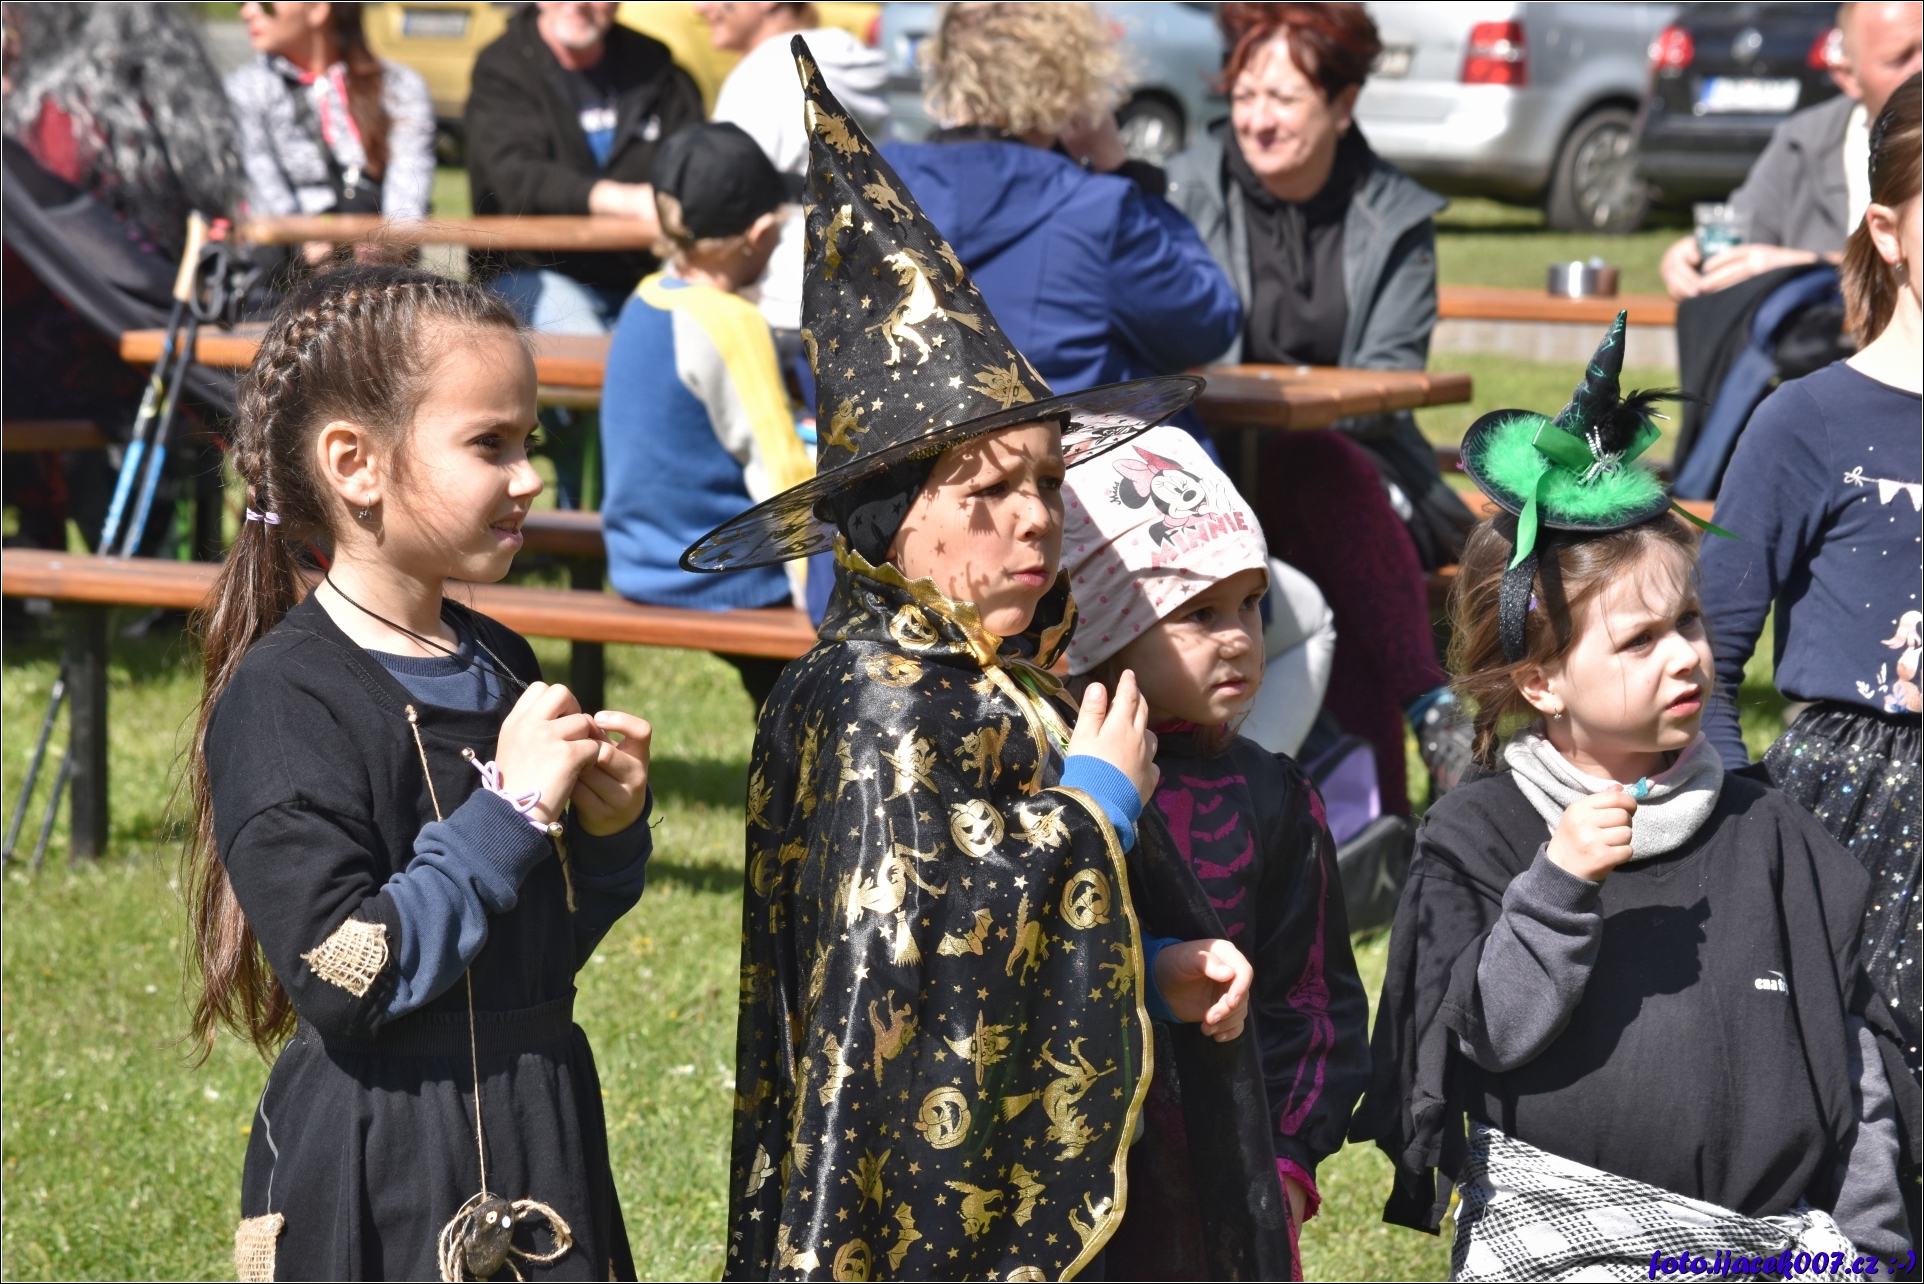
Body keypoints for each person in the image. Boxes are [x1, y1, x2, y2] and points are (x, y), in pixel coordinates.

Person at [697, 42, 1298, 1279]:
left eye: (1046, 483)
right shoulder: (867, 702)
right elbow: (911, 969)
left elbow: (999, 964)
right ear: (891, 520)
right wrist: (1095, 809)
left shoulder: (1003, 678)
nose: (1033, 520)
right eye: (984, 492)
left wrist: (1148, 973)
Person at [1352, 321, 1910, 1278]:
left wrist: (1870, 1243)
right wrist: (1556, 888)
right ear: (1540, 682)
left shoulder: (1770, 830)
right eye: (1639, 640)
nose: (1685, 656)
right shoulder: (1483, 835)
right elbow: (1482, 1036)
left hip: (1769, 1251)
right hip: (1559, 1241)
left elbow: (1853, 1059)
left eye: (1688, 621)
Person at [185, 266, 656, 1280]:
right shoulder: (283, 699)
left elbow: (538, 944)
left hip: (539, 1117)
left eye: (529, 442)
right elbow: (343, 976)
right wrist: (508, 811)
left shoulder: (501, 662)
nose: (528, 477)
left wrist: (608, 835)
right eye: (490, 444)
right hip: (380, 1156)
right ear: (355, 463)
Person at [1059, 426, 1371, 1273]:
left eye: (1250, 604)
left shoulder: (1274, 797)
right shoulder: (1051, 785)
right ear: (1103, 623)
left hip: (1228, 1181)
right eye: (1198, 612)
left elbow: (1314, 998)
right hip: (1074, 1187)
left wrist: (1291, 1158)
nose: (1238, 637)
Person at [1165, 1, 1475, 812]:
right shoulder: (1182, 191)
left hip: (1360, 471)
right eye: (1244, 97)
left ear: (1342, 105)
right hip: (1213, 473)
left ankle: (1377, 822)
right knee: (1320, 511)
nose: (1257, 120)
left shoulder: (1397, 214)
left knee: (1320, 469)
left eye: (1282, 98)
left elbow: (1388, 376)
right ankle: (1426, 727)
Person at [1699, 77, 1921, 1098]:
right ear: (1888, 230)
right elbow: (1704, 661)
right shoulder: (1808, 422)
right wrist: (1739, 839)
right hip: (1857, 826)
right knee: (1862, 1132)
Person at [598, 121, 812, 709]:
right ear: (760, 233)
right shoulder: (731, 322)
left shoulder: (647, 295)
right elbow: (780, 470)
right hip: (718, 577)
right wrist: (820, 594)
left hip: (640, 559)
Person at [466, 1, 703, 334]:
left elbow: (694, 165)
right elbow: (514, 174)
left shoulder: (655, 67)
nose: (578, 4)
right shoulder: (503, 66)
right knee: (589, 345)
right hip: (534, 270)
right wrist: (622, 199)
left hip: (647, 271)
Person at [1660, 1, 1921, 301]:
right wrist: (1689, 257)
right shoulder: (1805, 139)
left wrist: (1806, 269)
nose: (1920, 68)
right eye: (1899, 59)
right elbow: (1743, 236)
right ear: (1848, 76)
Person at [697, 0, 888, 338]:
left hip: (780, 310)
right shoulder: (843, 62)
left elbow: (710, 203)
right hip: (866, 299)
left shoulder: (765, 74)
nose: (700, 8)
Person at [226, 2, 436, 232]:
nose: (247, 12)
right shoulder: (243, 90)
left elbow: (409, 184)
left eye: (265, 4)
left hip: (377, 244)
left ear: (317, 8)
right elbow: (261, 181)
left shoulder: (399, 86)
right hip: (286, 246)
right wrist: (303, 239)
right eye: (242, 2)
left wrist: (387, 241)